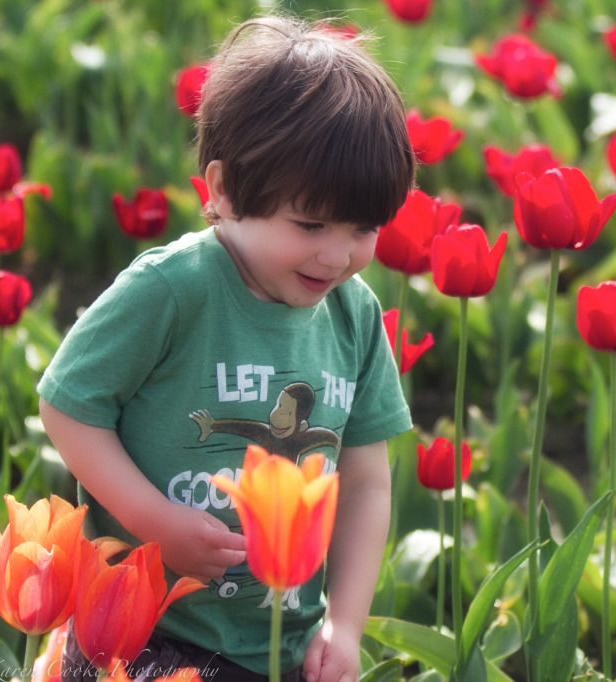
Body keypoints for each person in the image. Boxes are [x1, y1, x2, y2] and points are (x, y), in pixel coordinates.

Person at [38, 14, 415, 682]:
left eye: (363, 229)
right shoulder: (172, 289)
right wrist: (153, 521)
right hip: (146, 629)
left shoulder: (354, 315)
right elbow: (68, 405)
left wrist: (344, 624)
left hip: (280, 642)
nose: (338, 256)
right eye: (310, 225)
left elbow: (365, 483)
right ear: (223, 190)